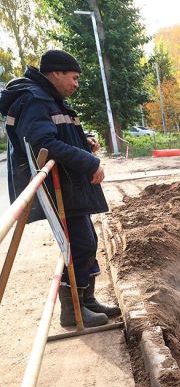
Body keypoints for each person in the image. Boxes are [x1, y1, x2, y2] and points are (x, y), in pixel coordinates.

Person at [0, 50, 121, 328]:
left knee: (87, 240)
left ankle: (86, 301)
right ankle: (72, 311)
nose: (76, 84)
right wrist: (90, 163)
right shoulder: (34, 100)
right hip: (56, 187)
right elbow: (45, 143)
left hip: (67, 185)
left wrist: (83, 141)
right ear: (56, 73)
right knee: (79, 244)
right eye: (74, 77)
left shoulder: (50, 99)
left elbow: (58, 135)